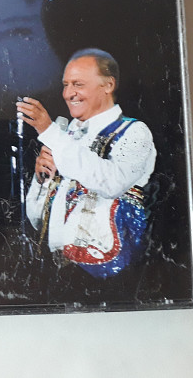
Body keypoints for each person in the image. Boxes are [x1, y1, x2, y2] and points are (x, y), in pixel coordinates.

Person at [16, 48, 156, 278]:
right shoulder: (64, 136)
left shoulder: (135, 132)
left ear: (108, 85)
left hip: (110, 275)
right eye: (65, 85)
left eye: (78, 84)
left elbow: (111, 184)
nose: (68, 93)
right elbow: (37, 220)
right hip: (56, 275)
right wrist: (42, 181)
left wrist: (50, 132)